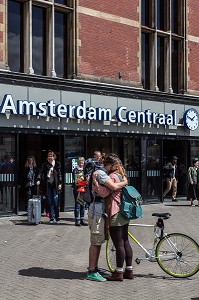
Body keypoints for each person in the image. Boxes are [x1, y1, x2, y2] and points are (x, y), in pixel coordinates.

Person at [86, 154, 128, 282]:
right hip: (98, 211)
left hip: (98, 210)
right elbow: (111, 189)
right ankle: (92, 271)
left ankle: (95, 268)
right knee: (96, 240)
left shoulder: (99, 173)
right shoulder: (101, 173)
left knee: (98, 240)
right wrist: (125, 182)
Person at [37, 151, 62, 224]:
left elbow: (59, 174)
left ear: (54, 157)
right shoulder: (45, 165)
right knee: (50, 201)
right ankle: (51, 218)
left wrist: (60, 183)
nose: (50, 157)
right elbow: (40, 173)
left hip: (55, 185)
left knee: (55, 201)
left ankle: (57, 218)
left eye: (51, 156)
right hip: (48, 185)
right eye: (49, 156)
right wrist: (38, 179)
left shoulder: (57, 164)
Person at [72, 157, 88, 226]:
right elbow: (76, 180)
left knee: (83, 204)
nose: (81, 164)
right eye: (80, 163)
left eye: (82, 163)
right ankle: (77, 219)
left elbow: (86, 178)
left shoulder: (85, 170)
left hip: (83, 188)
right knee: (78, 204)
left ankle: (82, 219)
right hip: (77, 188)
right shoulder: (75, 170)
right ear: (78, 163)